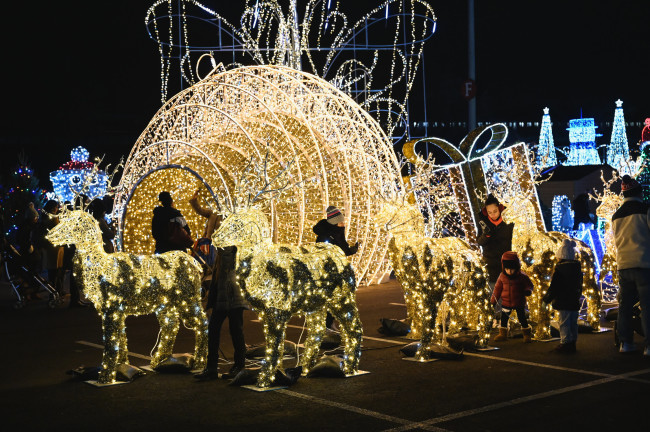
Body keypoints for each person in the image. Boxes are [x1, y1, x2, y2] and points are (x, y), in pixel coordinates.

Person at [194, 246, 248, 381]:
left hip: (234, 296)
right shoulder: (222, 249)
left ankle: (239, 366)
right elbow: (218, 276)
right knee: (213, 329)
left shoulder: (234, 249)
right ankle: (212, 367)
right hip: (223, 296)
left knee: (235, 330)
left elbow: (227, 274)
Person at [612, 175, 650, 357]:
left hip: (624, 265)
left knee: (625, 306)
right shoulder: (646, 209)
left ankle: (625, 343)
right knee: (647, 305)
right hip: (644, 263)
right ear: (639, 192)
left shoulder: (616, 216)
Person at [313, 205, 359, 329]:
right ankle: (326, 325)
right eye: (341, 222)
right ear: (334, 223)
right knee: (330, 299)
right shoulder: (326, 236)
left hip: (337, 271)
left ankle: (329, 323)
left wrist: (350, 250)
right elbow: (324, 253)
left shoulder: (337, 234)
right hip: (328, 273)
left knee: (337, 299)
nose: (343, 224)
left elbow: (341, 250)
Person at [476, 194, 514, 325]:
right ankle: (493, 318)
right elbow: (479, 241)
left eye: (495, 211)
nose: (492, 215)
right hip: (490, 262)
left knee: (506, 292)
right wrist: (487, 234)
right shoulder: (483, 223)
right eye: (490, 212)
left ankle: (504, 319)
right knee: (493, 292)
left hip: (506, 262)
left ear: (500, 209)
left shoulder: (508, 222)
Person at [543, 239, 583, 353]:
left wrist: (546, 300)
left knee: (564, 322)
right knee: (573, 322)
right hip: (574, 301)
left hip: (563, 302)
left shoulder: (559, 271)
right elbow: (580, 286)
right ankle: (572, 342)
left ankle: (565, 343)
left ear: (561, 257)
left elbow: (554, 288)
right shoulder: (577, 270)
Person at [491, 251, 534, 343]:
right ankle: (503, 334)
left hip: (519, 302)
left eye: (512, 269)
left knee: (522, 318)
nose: (509, 272)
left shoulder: (522, 276)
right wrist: (493, 301)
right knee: (504, 318)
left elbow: (529, 285)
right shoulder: (502, 276)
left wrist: (528, 290)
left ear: (516, 267)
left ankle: (526, 334)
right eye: (507, 269)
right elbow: (497, 289)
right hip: (506, 302)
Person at [189, 189, 222, 294]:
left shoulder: (227, 216)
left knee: (213, 267)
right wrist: (194, 200)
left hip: (217, 245)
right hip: (207, 244)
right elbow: (200, 210)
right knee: (204, 263)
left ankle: (212, 287)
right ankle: (202, 285)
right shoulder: (213, 213)